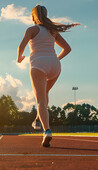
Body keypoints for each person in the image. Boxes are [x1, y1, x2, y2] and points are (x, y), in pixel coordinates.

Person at [17, 5, 79, 147]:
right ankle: (38, 119)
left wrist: (19, 57)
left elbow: (21, 46)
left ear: (33, 17)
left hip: (39, 64)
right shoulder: (52, 31)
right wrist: (55, 59)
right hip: (55, 65)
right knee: (44, 94)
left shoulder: (31, 29)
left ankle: (47, 131)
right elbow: (67, 49)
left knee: (40, 101)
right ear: (45, 15)